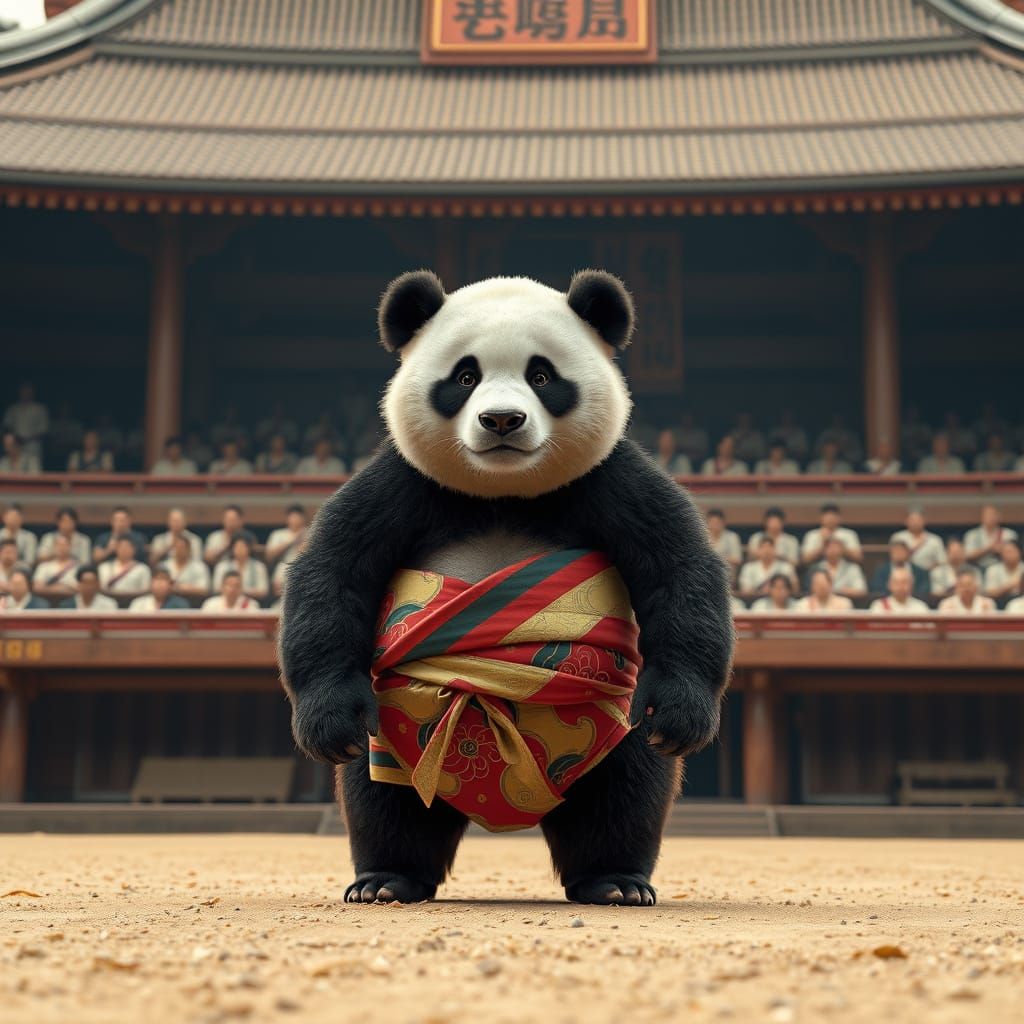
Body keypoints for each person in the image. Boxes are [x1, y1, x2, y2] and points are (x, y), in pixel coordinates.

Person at [964, 505, 1018, 572]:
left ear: (998, 517)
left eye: (992, 515)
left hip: (1001, 568)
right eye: (987, 515)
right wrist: (989, 549)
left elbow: (1015, 554)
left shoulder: (1008, 534)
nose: (990, 517)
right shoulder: (972, 534)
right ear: (982, 517)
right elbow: (968, 556)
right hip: (977, 568)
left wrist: (1002, 550)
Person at [3, 382, 48, 461]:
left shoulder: (40, 409)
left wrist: (26, 439)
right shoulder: (13, 409)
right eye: (23, 391)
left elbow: (44, 430)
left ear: (33, 393)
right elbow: (7, 427)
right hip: (15, 446)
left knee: (33, 468)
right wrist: (15, 439)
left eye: (28, 391)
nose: (26, 394)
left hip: (33, 447)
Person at [32, 535, 80, 599]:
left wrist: (48, 588)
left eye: (64, 545)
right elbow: (37, 588)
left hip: (71, 601)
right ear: (54, 547)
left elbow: (80, 588)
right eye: (58, 545)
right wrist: (62, 588)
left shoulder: (78, 567)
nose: (61, 548)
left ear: (70, 546)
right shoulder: (43, 566)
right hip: (45, 601)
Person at [705, 508, 742, 577]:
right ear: (707, 523)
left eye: (717, 522)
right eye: (712, 522)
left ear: (723, 522)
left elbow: (737, 559)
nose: (715, 525)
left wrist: (717, 558)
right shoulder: (702, 538)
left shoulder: (732, 537)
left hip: (727, 574)